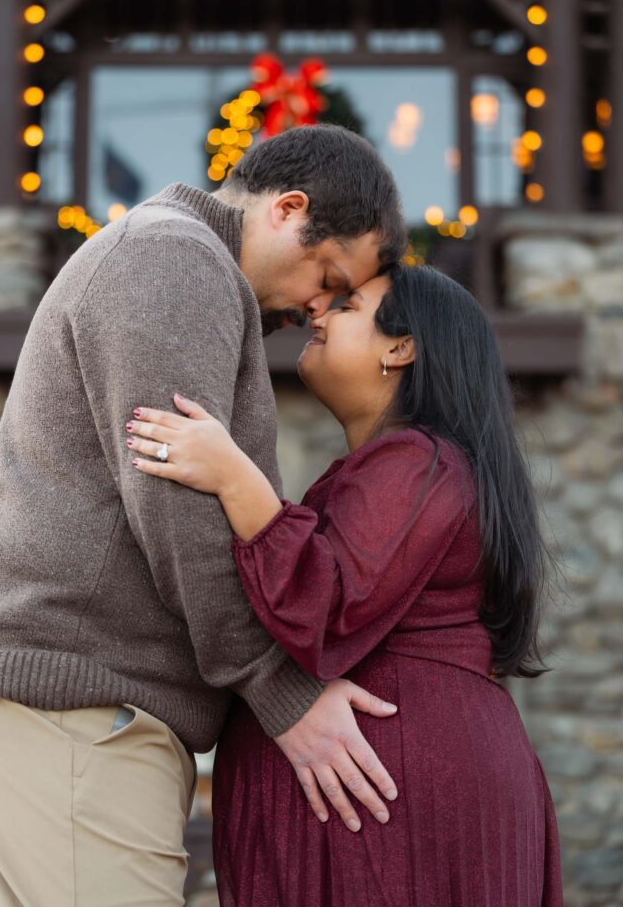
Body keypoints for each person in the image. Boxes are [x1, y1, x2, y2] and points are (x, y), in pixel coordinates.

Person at [0, 125, 407, 906]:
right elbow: (179, 504)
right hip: (73, 700)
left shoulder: (170, 258)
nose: (318, 310)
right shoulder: (175, 261)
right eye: (326, 276)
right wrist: (281, 692)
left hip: (60, 698)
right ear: (287, 210)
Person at [126, 264, 564, 907]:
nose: (318, 315)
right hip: (389, 793)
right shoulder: (407, 467)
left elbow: (326, 607)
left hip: (390, 802)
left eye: (348, 304)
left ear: (400, 346)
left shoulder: (418, 461)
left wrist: (234, 479)